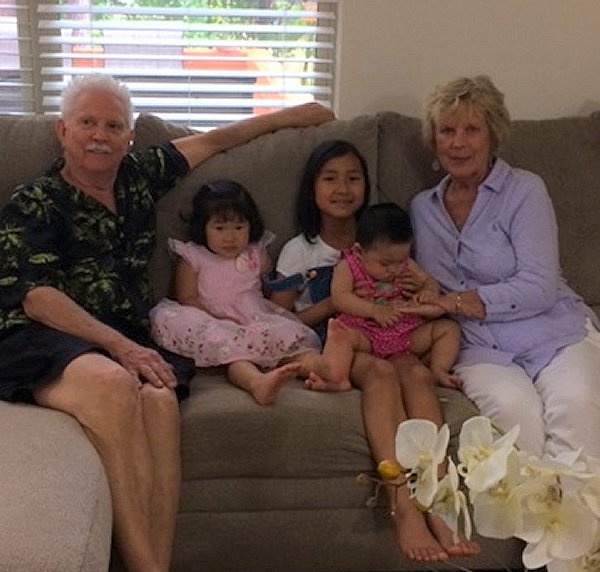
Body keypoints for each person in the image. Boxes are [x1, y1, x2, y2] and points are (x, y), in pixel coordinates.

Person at [0, 73, 334, 572]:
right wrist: (121, 346)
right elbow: (37, 299)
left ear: (129, 137)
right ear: (62, 131)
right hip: (44, 336)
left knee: (159, 400)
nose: (100, 135)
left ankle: (154, 563)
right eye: (87, 123)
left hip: (123, 337)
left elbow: (216, 140)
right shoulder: (36, 201)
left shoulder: (138, 176)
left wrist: (294, 116)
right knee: (115, 384)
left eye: (113, 126)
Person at [271, 139, 479, 562]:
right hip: (342, 339)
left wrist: (416, 291)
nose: (342, 188)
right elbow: (279, 319)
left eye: (353, 178)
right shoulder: (300, 250)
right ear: (312, 188)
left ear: (366, 185)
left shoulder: (386, 240)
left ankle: (438, 497)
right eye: (330, 178)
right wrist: (341, 304)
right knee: (382, 376)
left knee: (416, 375)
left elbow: (423, 288)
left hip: (393, 333)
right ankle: (402, 504)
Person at [409, 75, 600, 460]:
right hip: (478, 346)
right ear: (434, 139)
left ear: (493, 135)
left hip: (554, 332)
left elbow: (539, 286)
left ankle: (577, 503)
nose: (458, 143)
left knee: (576, 406)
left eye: (471, 130)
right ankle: (529, 504)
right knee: (514, 416)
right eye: (447, 131)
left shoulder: (525, 190)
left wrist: (454, 302)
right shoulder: (422, 209)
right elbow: (420, 280)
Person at [149, 180, 321, 406]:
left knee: (289, 344)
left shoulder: (255, 253)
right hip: (210, 317)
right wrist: (219, 319)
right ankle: (257, 383)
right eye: (220, 228)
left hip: (252, 316)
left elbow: (269, 287)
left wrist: (293, 284)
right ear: (203, 227)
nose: (230, 237)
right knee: (235, 355)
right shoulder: (193, 256)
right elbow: (187, 298)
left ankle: (323, 369)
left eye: (239, 228)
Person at [318, 202, 462, 392]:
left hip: (405, 331)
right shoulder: (348, 266)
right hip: (365, 331)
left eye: (401, 261)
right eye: (385, 264)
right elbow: (340, 298)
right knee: (340, 335)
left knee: (449, 329)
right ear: (359, 251)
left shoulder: (407, 265)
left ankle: (438, 370)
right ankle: (337, 377)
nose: (394, 269)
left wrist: (427, 291)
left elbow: (430, 282)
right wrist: (373, 310)